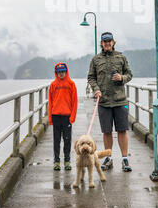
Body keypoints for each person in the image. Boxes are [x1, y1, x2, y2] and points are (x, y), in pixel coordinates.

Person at [87, 32, 133, 172]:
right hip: (104, 101)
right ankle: (109, 158)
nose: (107, 43)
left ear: (113, 42)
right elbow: (91, 77)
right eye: (104, 41)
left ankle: (125, 159)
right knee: (106, 131)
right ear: (101, 43)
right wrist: (96, 89)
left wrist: (122, 78)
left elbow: (130, 74)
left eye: (109, 41)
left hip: (119, 100)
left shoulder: (121, 57)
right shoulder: (96, 60)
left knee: (122, 130)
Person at [48, 62, 78, 171]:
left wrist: (72, 117)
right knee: (56, 140)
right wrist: (50, 118)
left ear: (66, 71)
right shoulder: (53, 85)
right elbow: (50, 102)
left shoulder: (71, 84)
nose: (61, 74)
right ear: (56, 73)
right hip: (56, 116)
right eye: (59, 72)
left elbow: (75, 102)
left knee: (67, 140)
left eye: (63, 72)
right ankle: (56, 161)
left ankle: (67, 161)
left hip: (67, 117)